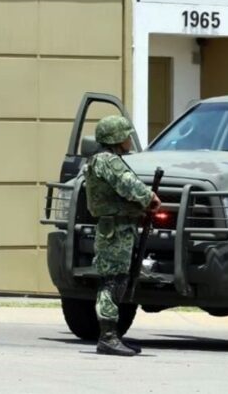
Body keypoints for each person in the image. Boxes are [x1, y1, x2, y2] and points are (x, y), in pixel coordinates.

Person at [86, 115, 161, 356]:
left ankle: (112, 335)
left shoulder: (99, 160)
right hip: (115, 229)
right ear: (116, 138)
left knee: (116, 279)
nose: (130, 140)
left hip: (117, 227)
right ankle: (108, 337)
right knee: (113, 281)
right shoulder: (109, 161)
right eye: (126, 135)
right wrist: (149, 198)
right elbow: (129, 184)